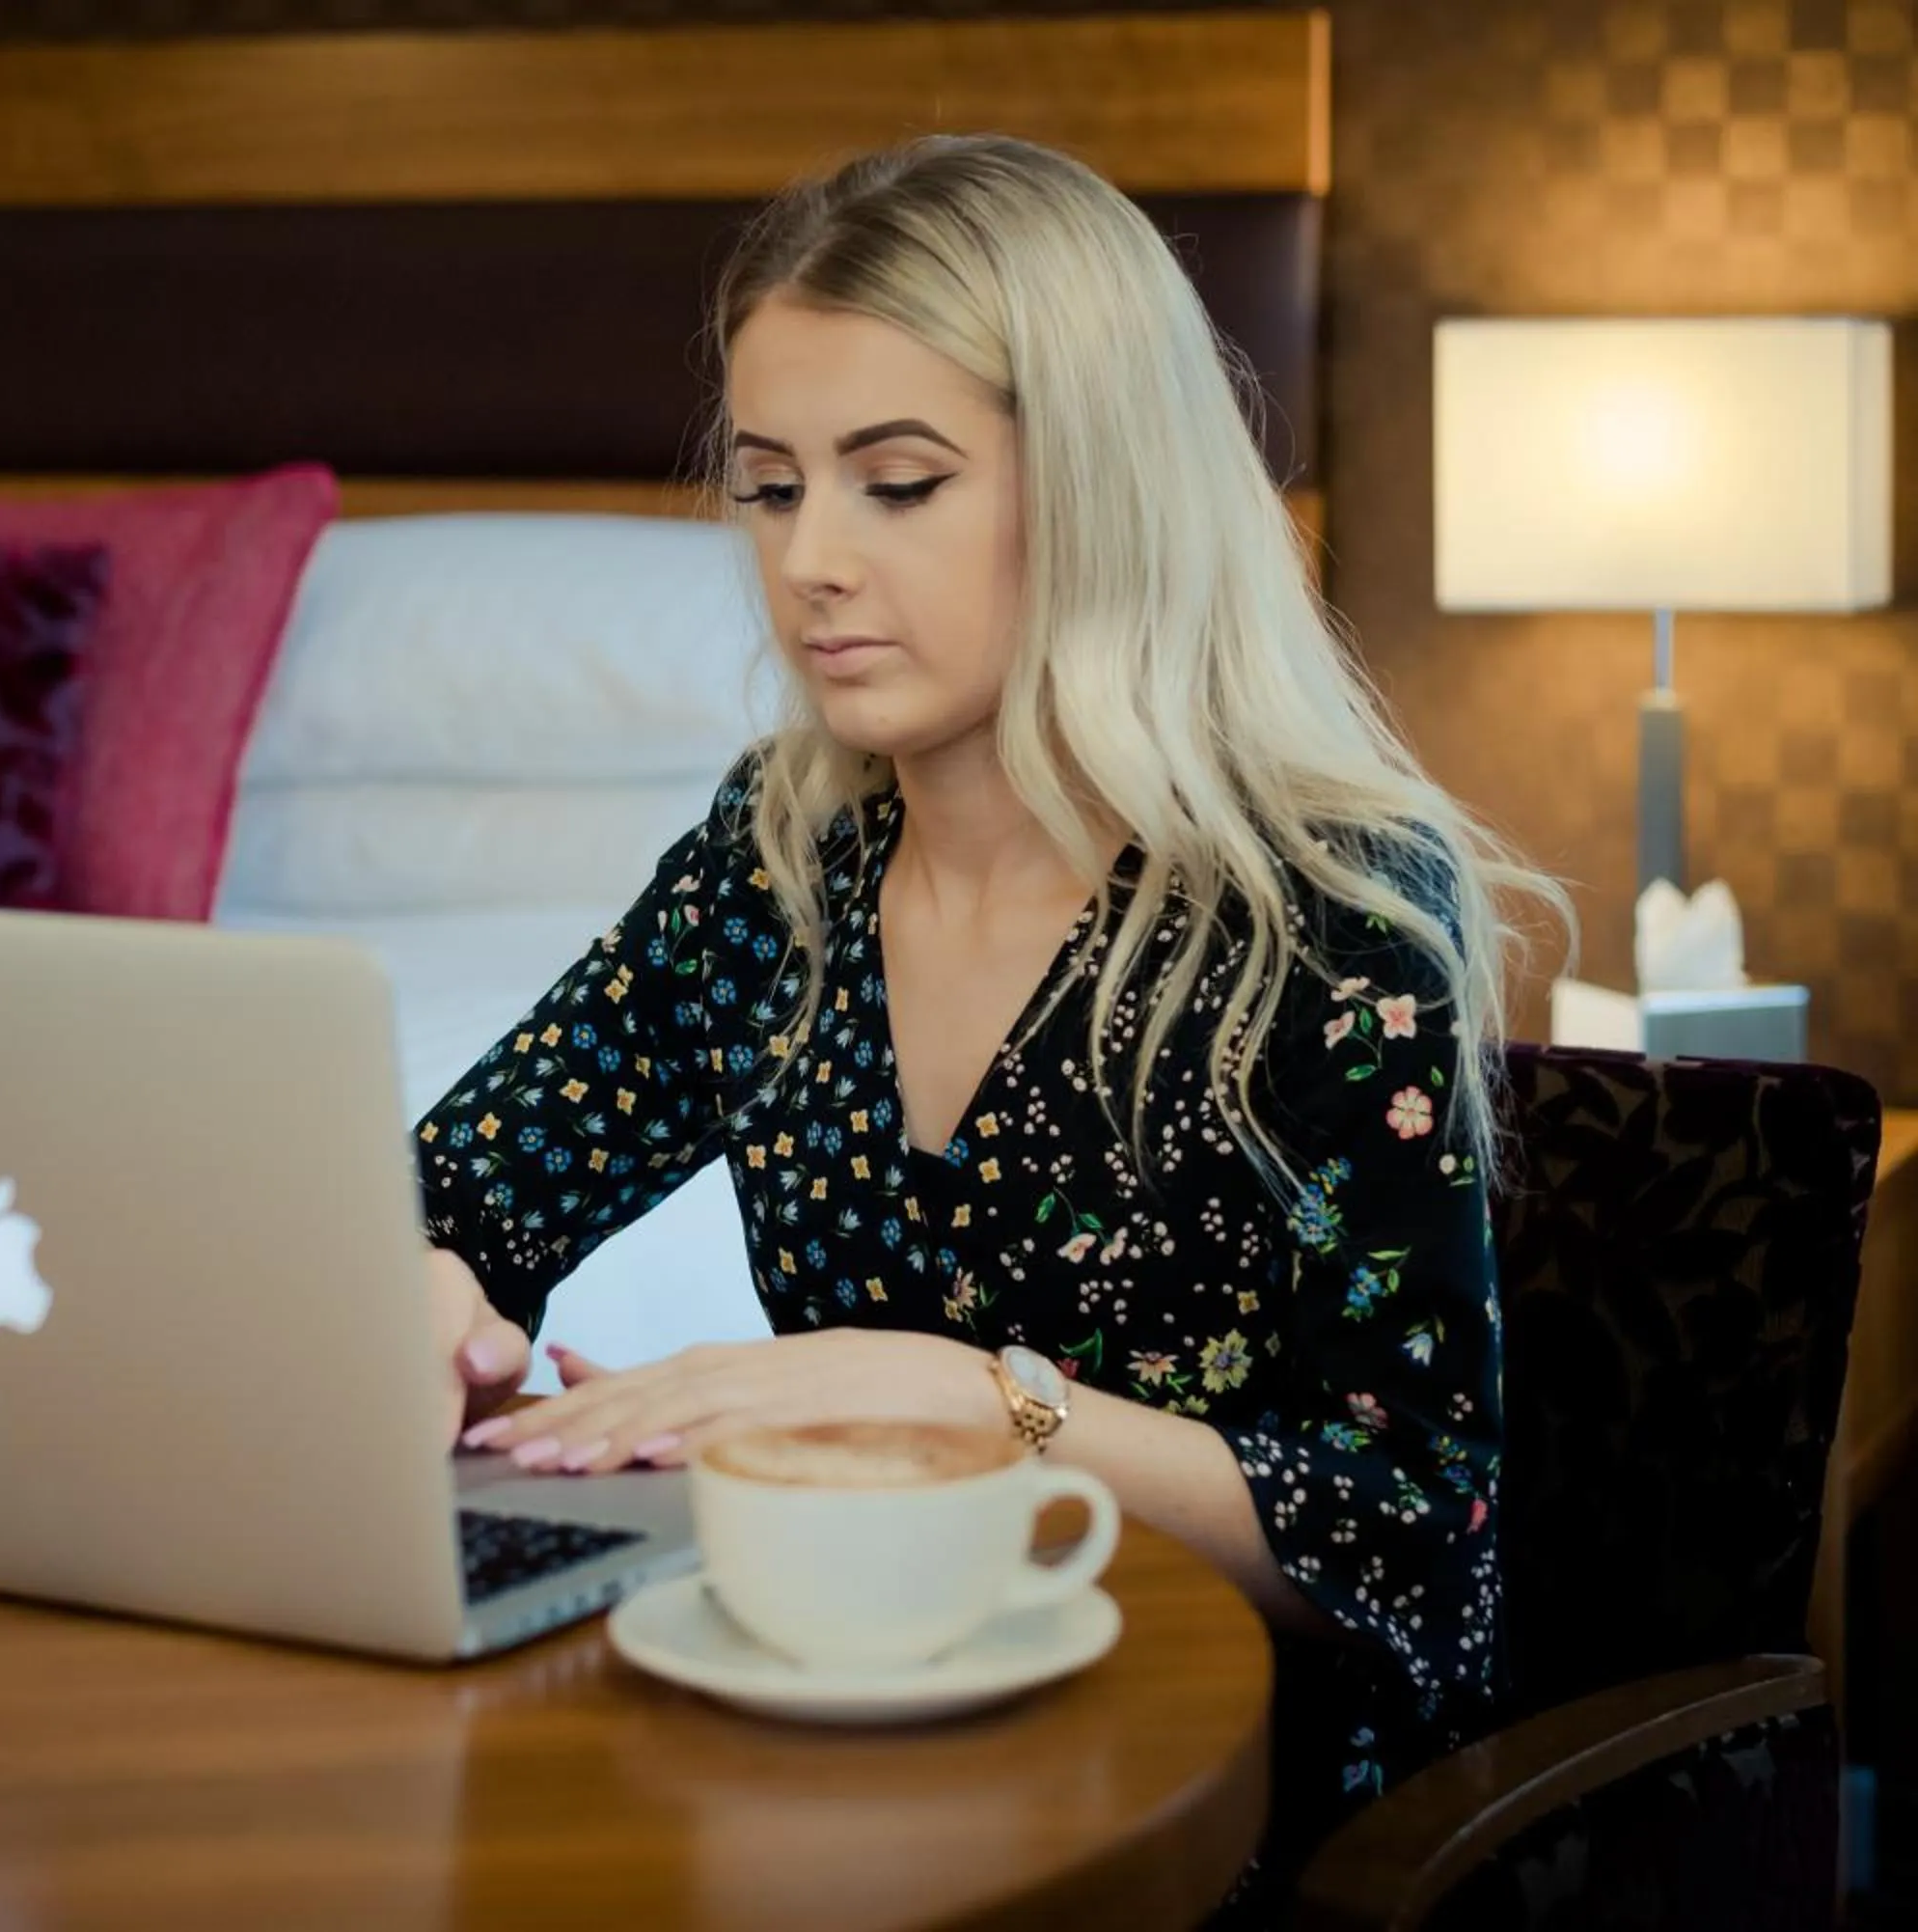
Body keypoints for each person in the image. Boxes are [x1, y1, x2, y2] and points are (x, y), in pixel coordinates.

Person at [412, 134, 1570, 1905]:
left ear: (1102, 483)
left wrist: (972, 1402)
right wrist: (429, 1293)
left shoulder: (1326, 914)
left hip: (1227, 1796)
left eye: (899, 482)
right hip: (853, 1709)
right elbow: (474, 1183)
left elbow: (1407, 1539)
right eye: (771, 485)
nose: (809, 561)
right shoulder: (776, 860)